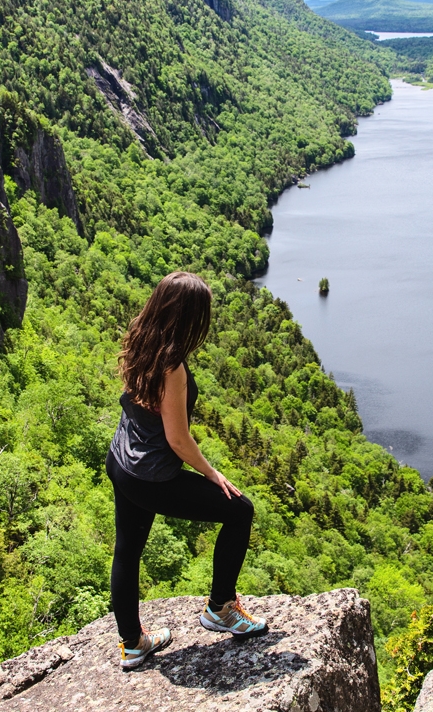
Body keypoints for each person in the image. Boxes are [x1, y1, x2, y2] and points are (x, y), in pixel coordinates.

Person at [107, 271, 266, 670]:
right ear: (188, 317)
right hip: (151, 475)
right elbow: (178, 439)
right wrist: (213, 473)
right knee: (239, 510)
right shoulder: (171, 366)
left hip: (122, 461)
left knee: (127, 550)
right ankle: (221, 609)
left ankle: (132, 644)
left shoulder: (139, 339)